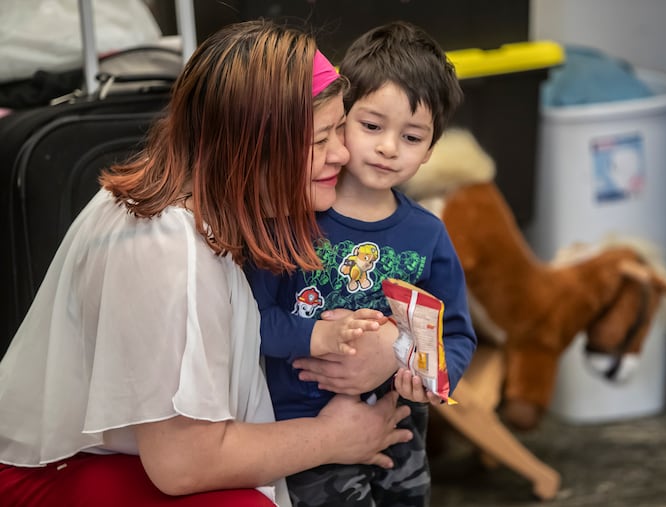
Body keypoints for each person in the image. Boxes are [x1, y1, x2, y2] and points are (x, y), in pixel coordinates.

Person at [0, 19, 414, 507]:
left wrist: (383, 341)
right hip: (50, 478)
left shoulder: (214, 199)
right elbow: (183, 463)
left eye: (339, 132)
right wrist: (334, 437)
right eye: (318, 141)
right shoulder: (165, 248)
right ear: (250, 148)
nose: (342, 154)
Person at [246, 21, 477, 507]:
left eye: (412, 137)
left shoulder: (427, 233)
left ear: (431, 149)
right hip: (302, 430)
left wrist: (432, 374)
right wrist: (318, 337)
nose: (389, 147)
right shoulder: (288, 220)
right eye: (372, 126)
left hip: (399, 425)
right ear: (339, 120)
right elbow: (249, 323)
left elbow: (454, 333)